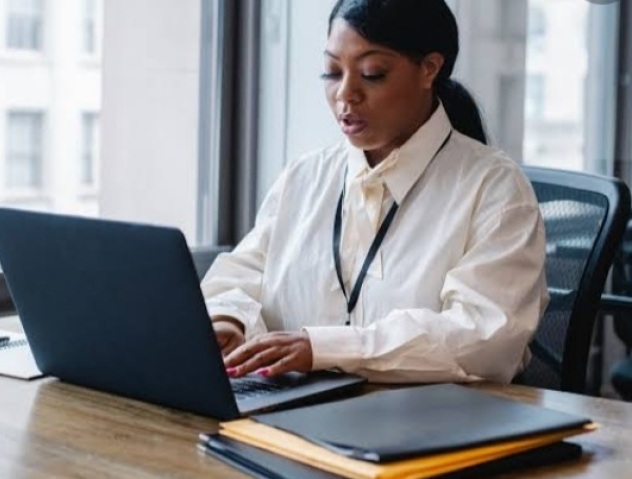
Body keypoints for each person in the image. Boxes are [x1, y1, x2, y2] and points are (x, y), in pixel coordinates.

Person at [201, 0, 548, 384]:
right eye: (331, 72)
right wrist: (227, 319)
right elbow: (242, 274)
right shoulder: (305, 177)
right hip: (296, 413)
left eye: (372, 73)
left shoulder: (495, 189)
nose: (344, 95)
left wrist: (324, 348)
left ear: (429, 69)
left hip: (432, 424)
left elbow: (484, 340)